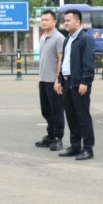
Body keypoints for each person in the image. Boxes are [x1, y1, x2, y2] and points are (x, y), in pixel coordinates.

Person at [55, 9, 96, 160]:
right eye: (64, 20)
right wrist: (60, 80)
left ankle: (88, 148)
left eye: (68, 20)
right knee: (71, 117)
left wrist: (85, 81)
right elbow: (65, 62)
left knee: (83, 117)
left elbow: (89, 63)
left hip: (79, 84)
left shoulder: (85, 39)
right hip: (67, 83)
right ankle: (74, 146)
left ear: (77, 21)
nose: (65, 23)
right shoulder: (67, 39)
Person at [35, 9, 65, 152]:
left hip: (54, 81)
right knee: (46, 110)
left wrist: (58, 80)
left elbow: (61, 60)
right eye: (42, 20)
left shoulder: (59, 38)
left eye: (47, 20)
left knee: (56, 111)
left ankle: (58, 138)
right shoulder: (42, 37)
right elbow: (43, 60)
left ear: (54, 21)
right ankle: (50, 135)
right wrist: (39, 78)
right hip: (44, 80)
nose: (44, 22)